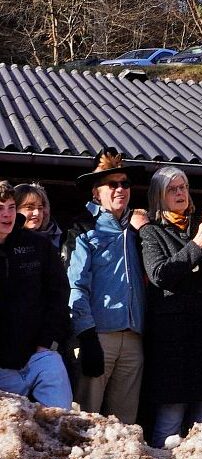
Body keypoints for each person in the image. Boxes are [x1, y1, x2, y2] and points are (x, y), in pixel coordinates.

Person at [139, 168, 202, 447]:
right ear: (159, 196)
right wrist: (197, 243)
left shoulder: (200, 225)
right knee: (171, 416)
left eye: (183, 187)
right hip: (173, 339)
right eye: (173, 189)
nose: (180, 193)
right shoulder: (152, 232)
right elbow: (160, 275)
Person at [67, 148, 148, 425]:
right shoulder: (83, 228)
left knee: (125, 425)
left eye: (125, 183)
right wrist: (86, 336)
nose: (120, 189)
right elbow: (76, 285)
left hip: (134, 336)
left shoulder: (139, 228)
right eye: (112, 184)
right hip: (99, 335)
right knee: (85, 420)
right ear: (96, 192)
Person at [0, 181, 72, 408]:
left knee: (60, 419)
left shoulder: (38, 246)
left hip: (37, 356)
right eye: (0, 209)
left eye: (11, 207)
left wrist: (46, 342)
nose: (7, 214)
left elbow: (59, 295)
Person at [14, 182, 63, 249]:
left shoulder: (60, 239)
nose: (37, 213)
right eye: (29, 207)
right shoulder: (4, 240)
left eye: (40, 208)